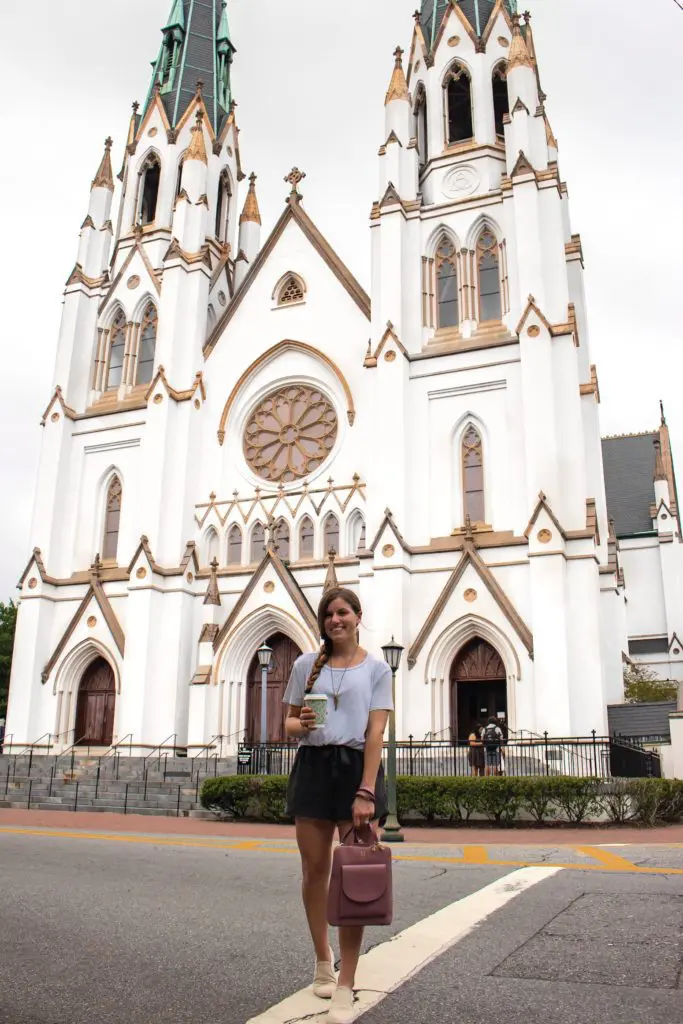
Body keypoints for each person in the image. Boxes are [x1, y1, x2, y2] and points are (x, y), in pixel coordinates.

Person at [283, 587, 393, 1024]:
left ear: (357, 616)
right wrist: (301, 724)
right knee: (314, 871)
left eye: (343, 612)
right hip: (312, 766)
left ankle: (347, 981)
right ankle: (322, 960)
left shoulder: (378, 668)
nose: (335, 620)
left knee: (354, 877)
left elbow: (375, 733)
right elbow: (288, 722)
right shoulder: (304, 664)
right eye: (328, 614)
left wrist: (366, 790)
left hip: (354, 772)